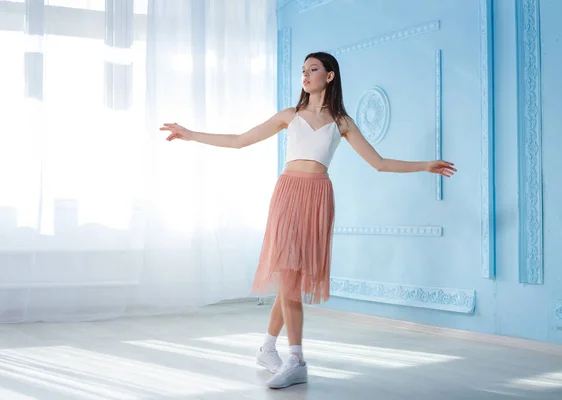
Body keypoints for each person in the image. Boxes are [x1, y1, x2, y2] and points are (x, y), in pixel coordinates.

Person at [160, 51, 456, 389]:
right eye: (303, 70)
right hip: (288, 193)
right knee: (288, 279)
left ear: (329, 76)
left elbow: (379, 162)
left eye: (313, 69)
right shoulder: (290, 115)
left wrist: (425, 165)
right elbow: (240, 141)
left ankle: (268, 349)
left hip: (317, 197)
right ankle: (295, 359)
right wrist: (191, 134)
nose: (305, 74)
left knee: (292, 280)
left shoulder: (341, 121)